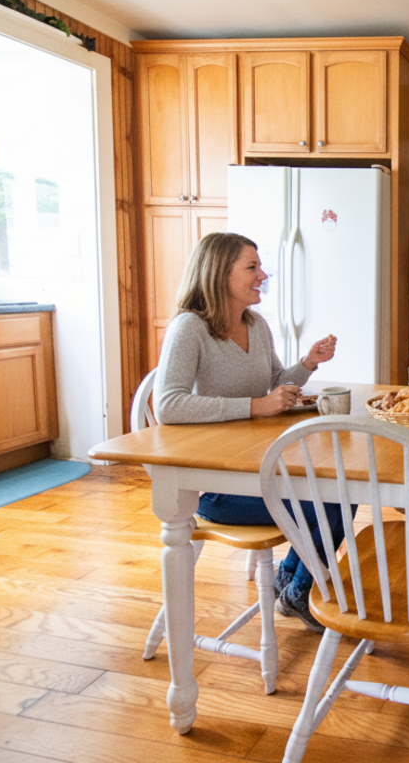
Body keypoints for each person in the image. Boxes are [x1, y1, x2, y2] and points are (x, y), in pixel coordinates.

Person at [154, 231, 341, 633]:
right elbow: (168, 404)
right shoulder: (189, 328)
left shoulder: (255, 324)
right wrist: (256, 407)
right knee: (331, 503)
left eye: (260, 266)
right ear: (220, 273)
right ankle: (298, 592)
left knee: (342, 492)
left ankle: (292, 587)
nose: (263, 274)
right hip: (215, 487)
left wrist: (307, 363)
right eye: (252, 267)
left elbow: (273, 381)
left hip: (257, 472)